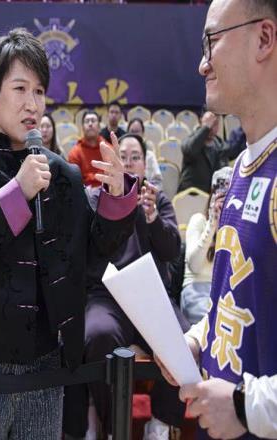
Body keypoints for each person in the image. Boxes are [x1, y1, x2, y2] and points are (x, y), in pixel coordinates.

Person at [0, 28, 138, 439]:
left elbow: (91, 255)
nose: (32, 104)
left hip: (47, 362)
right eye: (20, 88)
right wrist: (17, 192)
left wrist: (117, 198)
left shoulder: (60, 172)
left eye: (39, 91)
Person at [157, 1, 277, 439]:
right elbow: (232, 297)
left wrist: (248, 407)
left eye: (212, 40)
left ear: (264, 38)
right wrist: (196, 340)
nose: (202, 63)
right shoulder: (240, 168)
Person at [64, 134, 188, 440]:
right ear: (111, 162)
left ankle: (160, 421)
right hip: (105, 296)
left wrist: (153, 219)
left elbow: (172, 251)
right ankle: (108, 423)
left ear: (145, 164)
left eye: (135, 157)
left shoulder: (156, 200)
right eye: (123, 157)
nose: (129, 163)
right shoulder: (94, 198)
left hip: (150, 297)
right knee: (97, 335)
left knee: (184, 342)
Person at [180, 167, 231, 325]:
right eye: (220, 193)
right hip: (195, 291)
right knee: (217, 322)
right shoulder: (199, 221)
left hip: (223, 294)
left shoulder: (236, 229)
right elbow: (194, 266)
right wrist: (212, 224)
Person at [178, 110, 227, 193]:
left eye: (215, 124)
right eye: (209, 123)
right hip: (190, 194)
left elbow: (223, 174)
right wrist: (205, 128)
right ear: (201, 122)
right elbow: (189, 150)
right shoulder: (192, 140)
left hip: (212, 195)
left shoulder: (220, 145)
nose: (211, 128)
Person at [68, 110, 107, 187]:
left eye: (93, 121)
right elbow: (74, 181)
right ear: (82, 127)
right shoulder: (75, 153)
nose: (90, 124)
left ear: (99, 126)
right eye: (87, 121)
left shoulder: (108, 149)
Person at [127, 117, 164, 189]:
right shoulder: (121, 156)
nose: (134, 135)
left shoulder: (150, 156)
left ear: (143, 134)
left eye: (137, 131)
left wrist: (149, 190)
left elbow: (158, 182)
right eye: (132, 131)